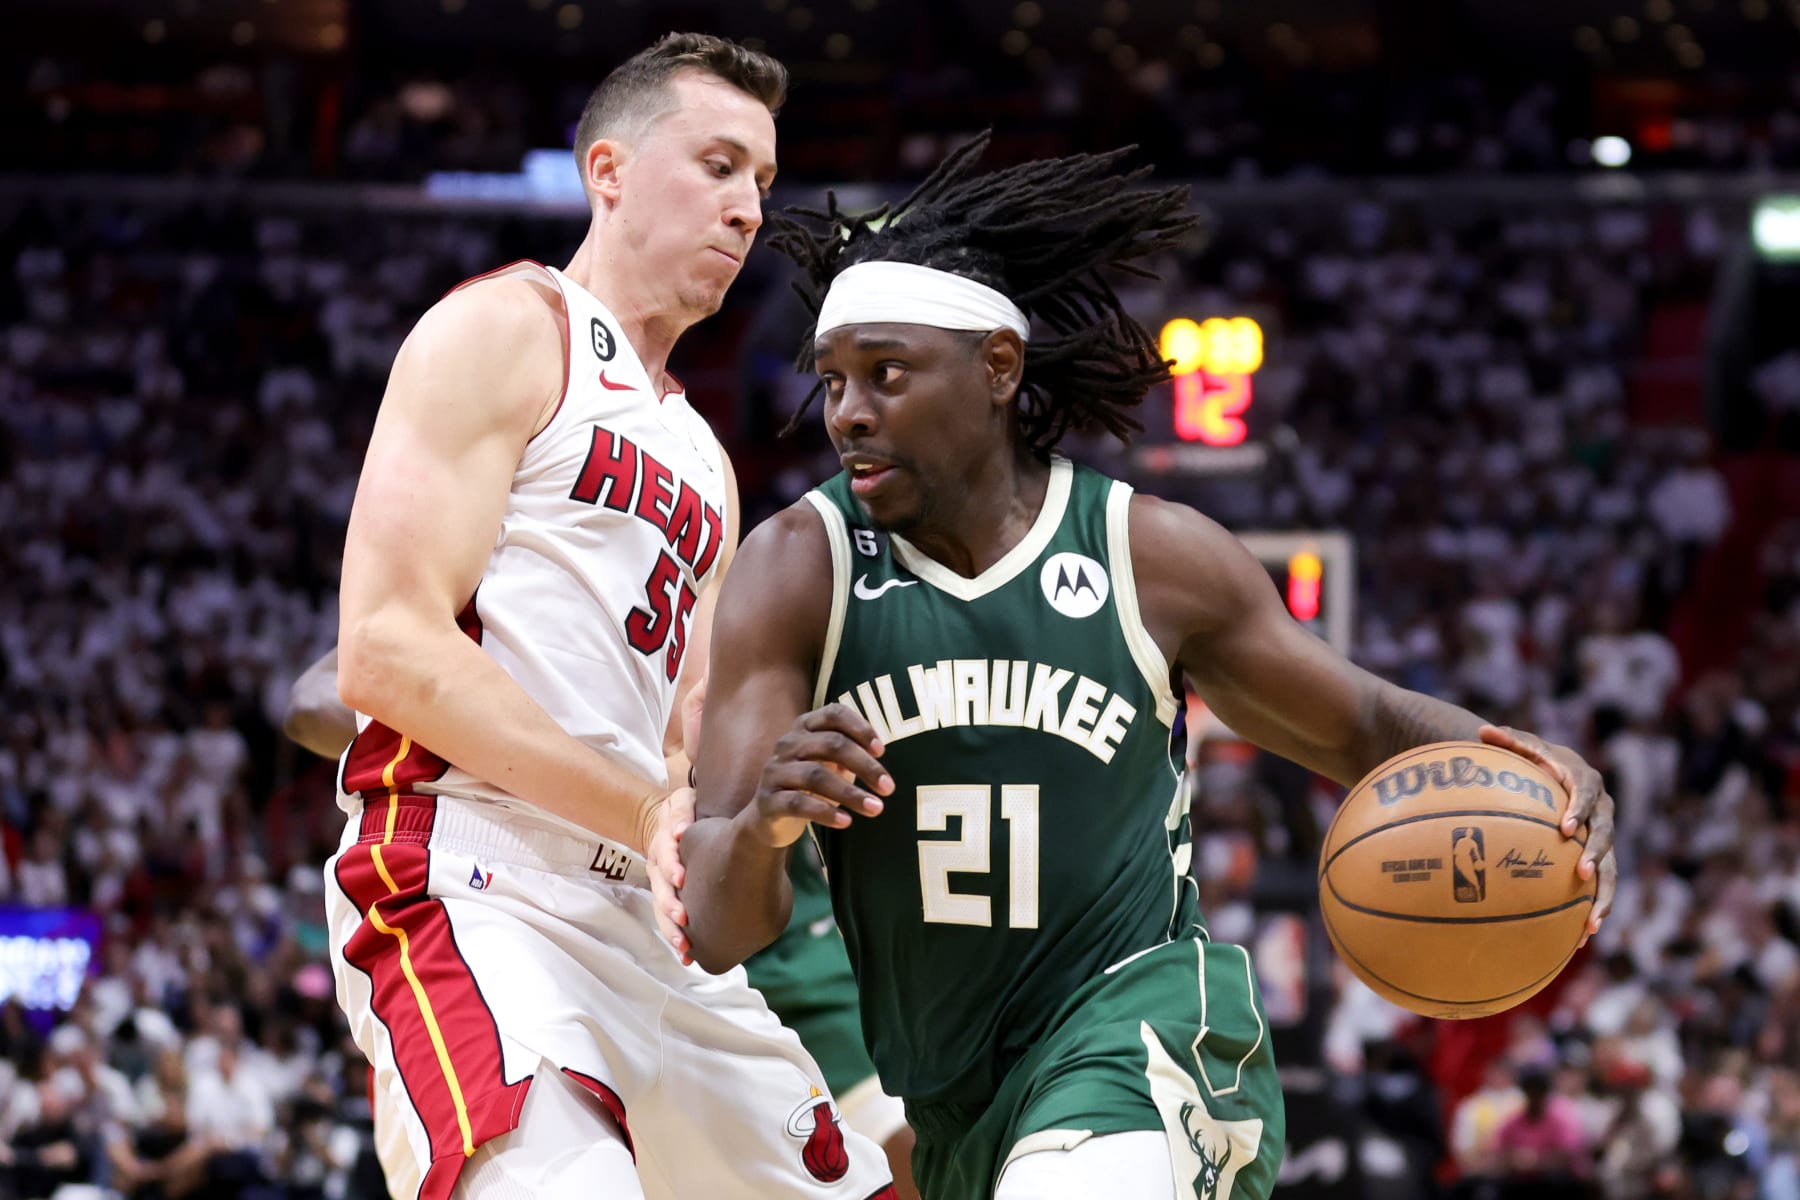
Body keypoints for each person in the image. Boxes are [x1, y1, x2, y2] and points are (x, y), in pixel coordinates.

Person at [676, 134, 1620, 1200]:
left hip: (1145, 1035)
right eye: (834, 380)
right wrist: (765, 827)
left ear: (997, 368)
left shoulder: (1148, 555)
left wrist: (1529, 771)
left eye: (886, 375)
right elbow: (717, 927)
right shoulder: (797, 566)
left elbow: (1363, 726)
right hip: (955, 1103)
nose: (847, 410)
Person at [323, 32, 894, 1200]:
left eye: (764, 183)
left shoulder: (704, 457)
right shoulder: (505, 328)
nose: (748, 210)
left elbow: (685, 742)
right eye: (720, 164)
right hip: (476, 881)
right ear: (608, 169)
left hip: (647, 919)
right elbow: (383, 647)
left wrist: (762, 801)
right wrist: (649, 807)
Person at [289, 660, 920, 1197]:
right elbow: (331, 687)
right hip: (491, 916)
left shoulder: (712, 605)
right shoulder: (494, 581)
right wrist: (476, 712)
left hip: (685, 944)